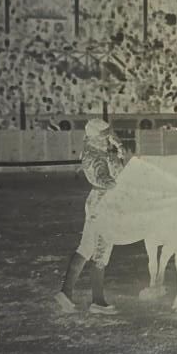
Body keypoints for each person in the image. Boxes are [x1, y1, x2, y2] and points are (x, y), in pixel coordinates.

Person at [53, 119, 129, 315]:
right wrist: (121, 166)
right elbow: (108, 182)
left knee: (85, 248)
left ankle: (66, 292)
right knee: (101, 252)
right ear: (96, 138)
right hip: (105, 205)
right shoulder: (97, 158)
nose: (107, 140)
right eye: (103, 138)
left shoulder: (91, 147)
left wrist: (118, 145)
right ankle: (97, 301)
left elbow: (110, 135)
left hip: (94, 202)